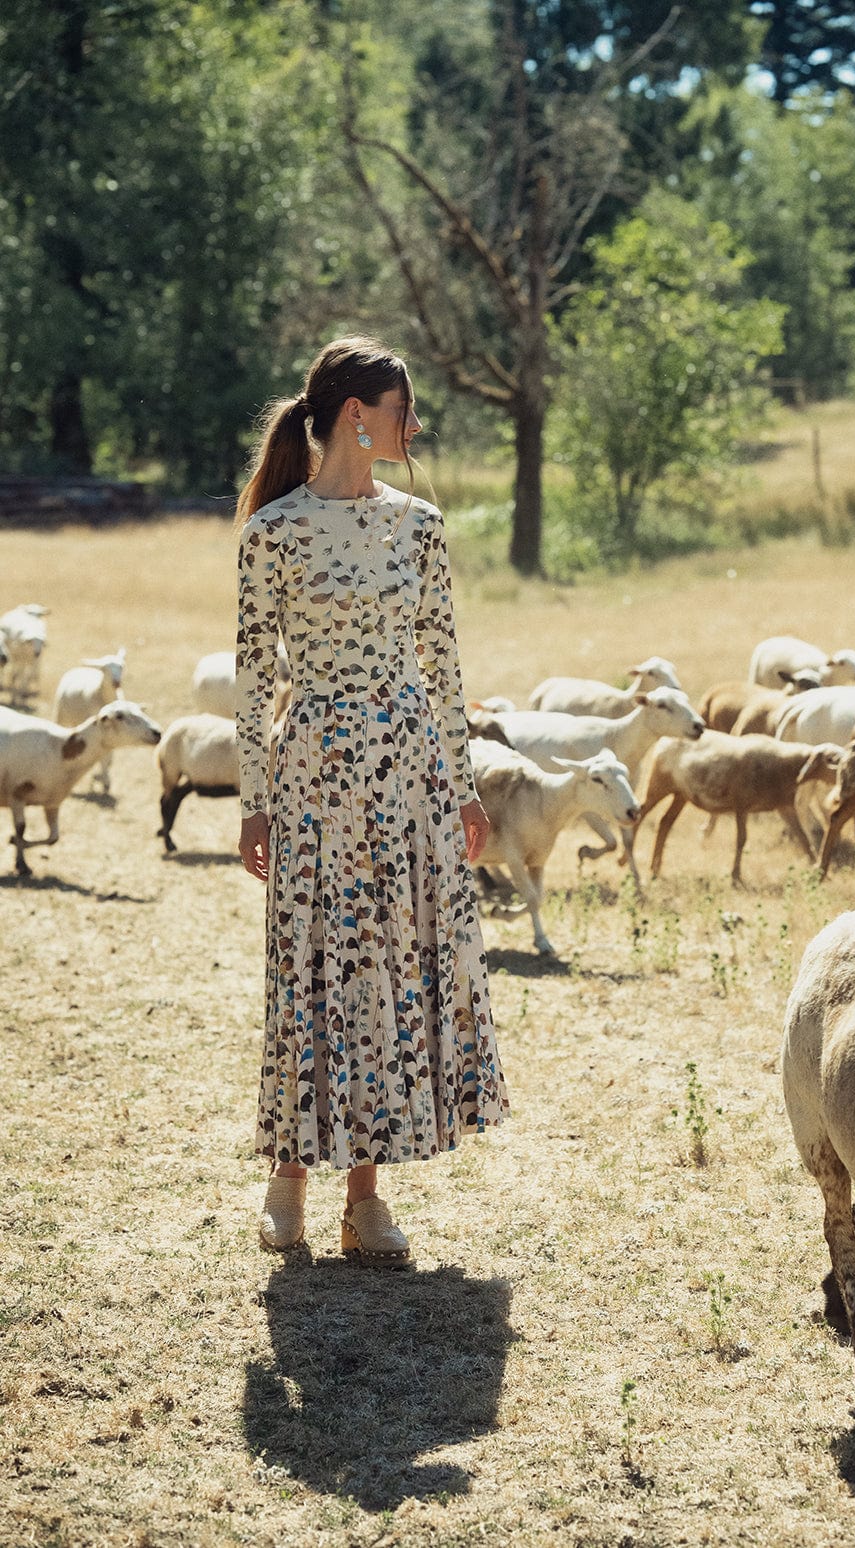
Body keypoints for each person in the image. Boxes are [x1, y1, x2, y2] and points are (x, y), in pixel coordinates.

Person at [235, 335, 508, 1266]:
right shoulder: (272, 533)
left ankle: (367, 1198)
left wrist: (462, 783)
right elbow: (250, 671)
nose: (416, 426)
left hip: (408, 771)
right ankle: (288, 1177)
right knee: (310, 964)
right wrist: (254, 800)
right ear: (359, 413)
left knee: (390, 967)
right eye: (404, 409)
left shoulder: (419, 526)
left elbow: (444, 661)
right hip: (312, 769)